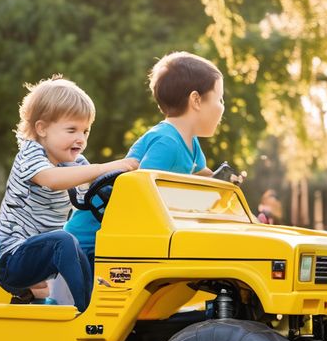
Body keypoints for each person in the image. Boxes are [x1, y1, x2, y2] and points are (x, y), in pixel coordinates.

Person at [65, 51, 233, 264]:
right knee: (75, 296)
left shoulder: (190, 142)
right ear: (196, 100)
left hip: (120, 237)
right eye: (219, 98)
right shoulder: (166, 142)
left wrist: (225, 183)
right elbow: (140, 191)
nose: (222, 107)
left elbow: (204, 177)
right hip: (90, 239)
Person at [0, 76, 138, 312]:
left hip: (45, 258)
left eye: (85, 131)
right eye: (71, 130)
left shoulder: (75, 161)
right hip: (13, 258)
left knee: (92, 243)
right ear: (42, 129)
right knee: (65, 240)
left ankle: (111, 303)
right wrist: (106, 167)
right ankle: (86, 311)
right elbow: (51, 180)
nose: (80, 138)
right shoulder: (30, 154)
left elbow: (96, 187)